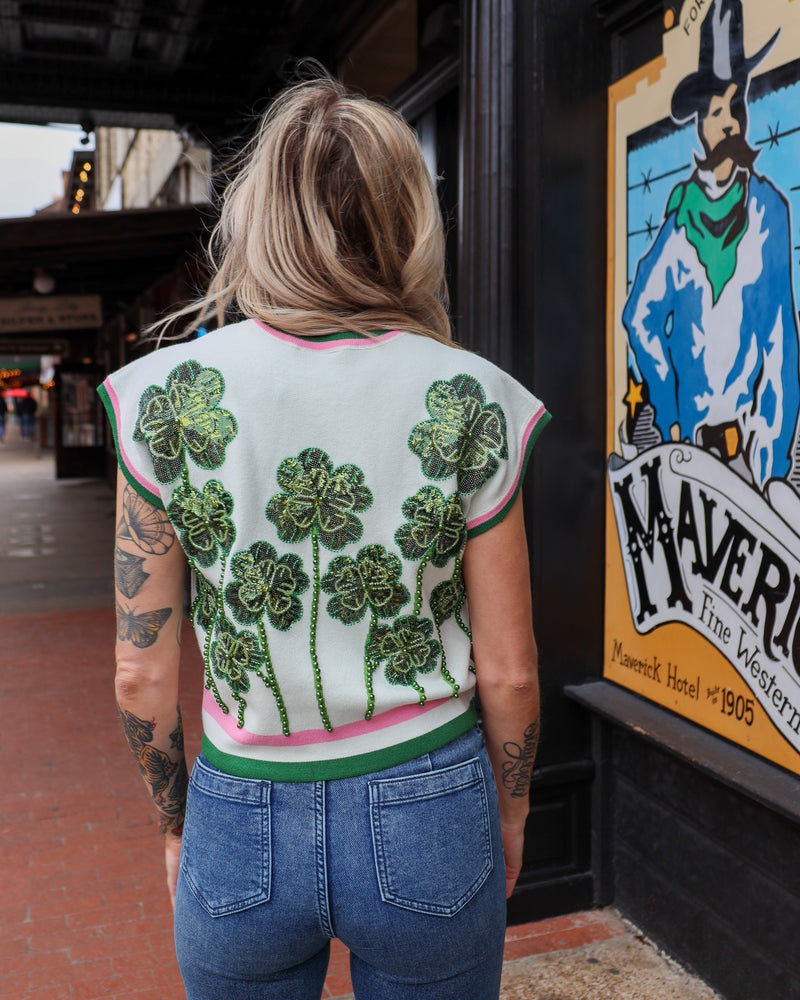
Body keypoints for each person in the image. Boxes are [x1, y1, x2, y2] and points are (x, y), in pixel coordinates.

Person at [99, 73, 548, 1000]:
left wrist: (179, 824)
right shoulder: (468, 397)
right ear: (406, 220)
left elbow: (141, 672)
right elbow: (509, 669)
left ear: (258, 219)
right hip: (430, 799)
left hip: (239, 808)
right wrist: (510, 808)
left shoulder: (166, 399)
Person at [622, 0, 800, 490]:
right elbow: (638, 316)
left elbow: (781, 339)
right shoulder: (679, 220)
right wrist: (670, 403)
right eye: (717, 110)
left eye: (735, 107)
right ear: (699, 124)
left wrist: (772, 456)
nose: (730, 124)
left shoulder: (770, 211)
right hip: (687, 453)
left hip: (750, 455)